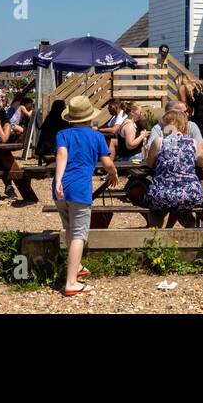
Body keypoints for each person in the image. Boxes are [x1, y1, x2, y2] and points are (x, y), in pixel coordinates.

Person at [52, 96, 120, 296]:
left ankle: (77, 265)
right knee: (79, 235)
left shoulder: (62, 134)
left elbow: (61, 156)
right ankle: (71, 282)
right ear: (90, 117)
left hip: (60, 189)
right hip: (80, 189)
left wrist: (57, 181)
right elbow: (107, 163)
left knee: (69, 228)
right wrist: (114, 173)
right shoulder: (96, 136)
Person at [142, 110, 203, 225]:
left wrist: (150, 154)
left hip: (161, 193)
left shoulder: (159, 142)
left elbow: (150, 164)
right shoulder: (193, 143)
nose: (162, 128)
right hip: (189, 193)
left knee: (156, 211)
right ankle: (191, 237)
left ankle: (156, 238)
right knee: (183, 210)